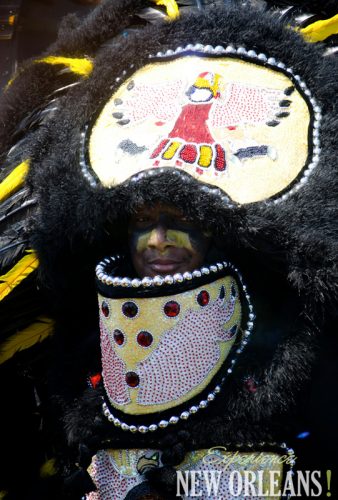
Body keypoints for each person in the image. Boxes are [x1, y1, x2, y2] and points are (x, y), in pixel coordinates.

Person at [0, 0, 337, 499]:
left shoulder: (302, 346)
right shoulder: (75, 338)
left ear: (221, 229)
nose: (158, 241)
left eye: (183, 222)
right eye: (143, 221)